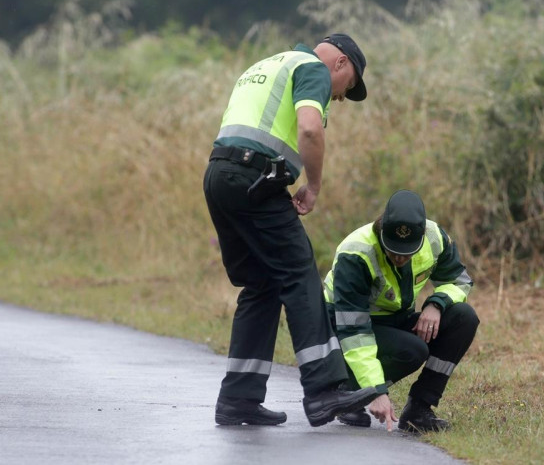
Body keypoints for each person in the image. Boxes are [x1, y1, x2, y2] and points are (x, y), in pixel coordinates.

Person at [204, 34, 379, 427]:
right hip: (256, 178)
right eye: (346, 88)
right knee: (300, 274)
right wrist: (313, 187)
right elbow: (310, 129)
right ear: (340, 64)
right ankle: (324, 391)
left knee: (262, 284)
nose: (339, 98)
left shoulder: (265, 66)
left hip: (219, 175)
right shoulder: (312, 68)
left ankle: (238, 399)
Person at [323, 189, 479, 433]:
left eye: (407, 251)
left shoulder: (435, 237)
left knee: (464, 318)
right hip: (342, 325)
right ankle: (348, 393)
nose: (399, 257)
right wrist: (374, 390)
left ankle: (419, 409)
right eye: (393, 248)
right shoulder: (356, 252)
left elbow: (460, 281)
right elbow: (354, 331)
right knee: (413, 350)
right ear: (381, 230)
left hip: (395, 319)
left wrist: (436, 304)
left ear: (421, 236)